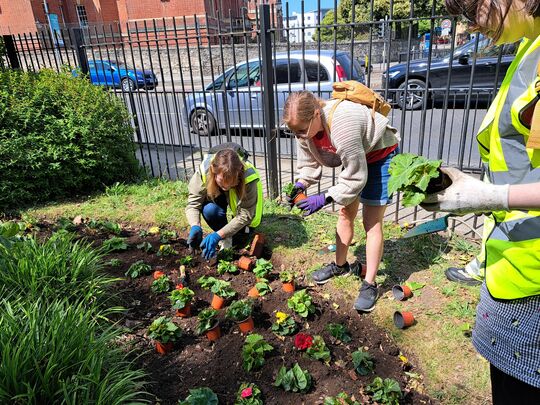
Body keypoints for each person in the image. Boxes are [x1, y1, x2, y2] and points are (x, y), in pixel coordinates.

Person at [422, 0, 540, 402]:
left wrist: (487, 196)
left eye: (473, 8)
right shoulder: (530, 43)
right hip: (512, 263)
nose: (470, 25)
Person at [282, 90, 400, 312]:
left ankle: (370, 284)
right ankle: (340, 265)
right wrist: (300, 185)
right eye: (294, 132)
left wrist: (325, 197)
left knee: (371, 223)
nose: (300, 136)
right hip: (356, 155)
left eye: (302, 130)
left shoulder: (342, 123)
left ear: (317, 114)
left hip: (380, 154)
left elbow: (355, 176)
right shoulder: (304, 130)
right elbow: (309, 163)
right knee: (346, 213)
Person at [185, 143, 263, 260]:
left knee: (242, 236)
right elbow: (193, 204)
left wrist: (218, 235)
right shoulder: (205, 171)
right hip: (216, 193)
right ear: (213, 171)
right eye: (221, 182)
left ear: (239, 174)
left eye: (231, 183)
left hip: (244, 206)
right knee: (210, 211)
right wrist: (195, 226)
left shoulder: (248, 177)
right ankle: (225, 236)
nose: (225, 187)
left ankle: (227, 235)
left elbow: (246, 214)